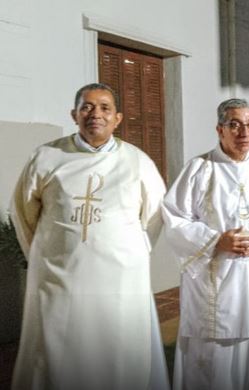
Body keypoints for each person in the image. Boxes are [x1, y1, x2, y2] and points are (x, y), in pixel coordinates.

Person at [10, 83, 169, 390]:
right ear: (74, 114)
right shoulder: (46, 156)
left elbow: (154, 215)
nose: (95, 114)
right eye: (87, 107)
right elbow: (22, 212)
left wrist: (130, 252)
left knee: (117, 351)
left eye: (105, 108)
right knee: (56, 353)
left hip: (121, 278)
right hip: (59, 276)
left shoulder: (137, 161)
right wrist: (47, 253)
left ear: (118, 118)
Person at [162, 98, 249, 390]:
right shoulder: (200, 168)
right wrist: (217, 240)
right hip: (215, 282)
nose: (244, 132)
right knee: (212, 363)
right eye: (235, 125)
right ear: (220, 130)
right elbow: (175, 219)